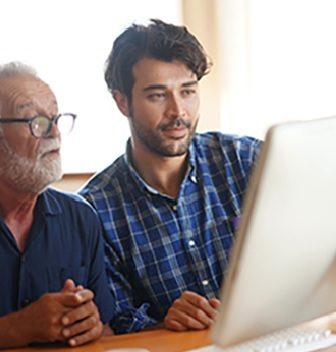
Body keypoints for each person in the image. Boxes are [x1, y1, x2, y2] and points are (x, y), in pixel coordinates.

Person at [79, 19, 262, 334]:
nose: (178, 111)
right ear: (122, 101)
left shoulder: (246, 160)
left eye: (188, 91)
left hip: (274, 346)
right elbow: (117, 323)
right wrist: (164, 325)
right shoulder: (96, 210)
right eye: (157, 95)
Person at [0, 62, 114, 352]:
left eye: (56, 118)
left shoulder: (80, 217)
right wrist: (18, 328)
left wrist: (91, 326)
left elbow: (105, 329)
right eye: (35, 121)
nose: (54, 132)